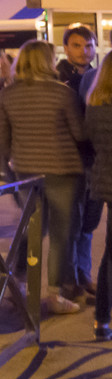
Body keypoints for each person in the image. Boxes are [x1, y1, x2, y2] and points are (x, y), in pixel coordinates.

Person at [0, 39, 89, 313]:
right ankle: (55, 294)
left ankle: (18, 280)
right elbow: (80, 133)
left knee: (31, 228)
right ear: (47, 62)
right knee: (61, 234)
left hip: (26, 171)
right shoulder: (63, 94)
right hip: (64, 170)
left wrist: (19, 155)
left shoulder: (7, 95)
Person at [60, 25, 101, 295]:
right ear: (65, 48)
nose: (84, 51)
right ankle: (69, 279)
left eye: (88, 46)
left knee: (89, 222)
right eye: (77, 45)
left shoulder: (102, 76)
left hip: (96, 160)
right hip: (69, 159)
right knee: (70, 224)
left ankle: (83, 274)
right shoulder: (57, 79)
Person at [83, 66, 112, 340]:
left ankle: (102, 319)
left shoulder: (95, 107)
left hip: (106, 182)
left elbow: (89, 142)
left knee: (109, 255)